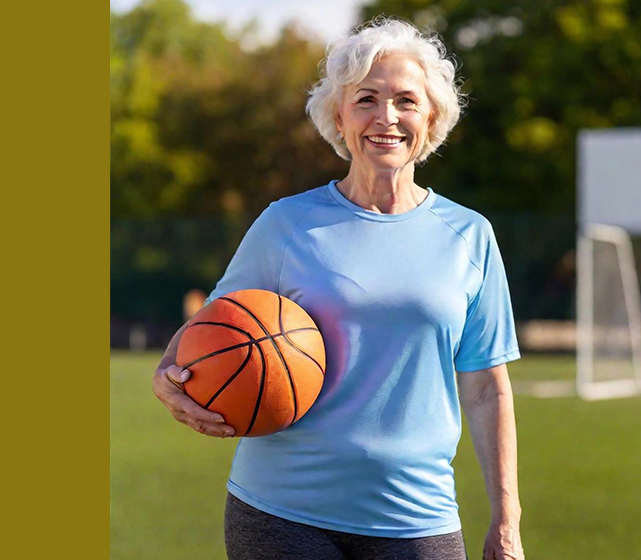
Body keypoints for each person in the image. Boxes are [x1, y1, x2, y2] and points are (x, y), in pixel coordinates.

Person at [153, 17, 525, 560]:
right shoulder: (286, 224)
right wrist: (172, 381)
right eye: (366, 100)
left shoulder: (469, 235)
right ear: (338, 115)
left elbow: (488, 387)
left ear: (433, 116)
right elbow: (207, 330)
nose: (386, 118)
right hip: (281, 512)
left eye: (405, 101)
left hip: (417, 517)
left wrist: (507, 522)